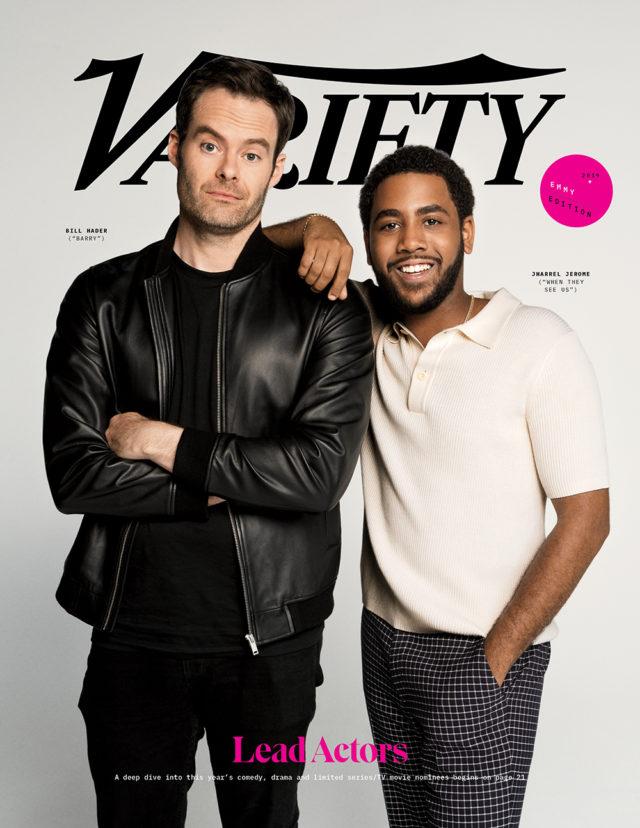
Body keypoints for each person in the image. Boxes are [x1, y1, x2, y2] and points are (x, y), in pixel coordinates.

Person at [43, 56, 373, 828]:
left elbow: (318, 474)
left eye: (253, 152)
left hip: (272, 642)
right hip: (132, 637)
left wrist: (160, 440)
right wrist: (235, 479)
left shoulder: (327, 308)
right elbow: (74, 473)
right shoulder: (103, 297)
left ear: (278, 168)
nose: (230, 170)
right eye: (210, 144)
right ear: (173, 148)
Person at [299, 145, 610, 827]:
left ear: (466, 231)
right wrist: (314, 225)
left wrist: (495, 659)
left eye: (432, 220)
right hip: (383, 644)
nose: (411, 241)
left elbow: (587, 518)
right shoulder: (360, 326)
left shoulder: (539, 341)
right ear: (369, 245)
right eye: (388, 224)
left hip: (485, 650)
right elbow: (243, 253)